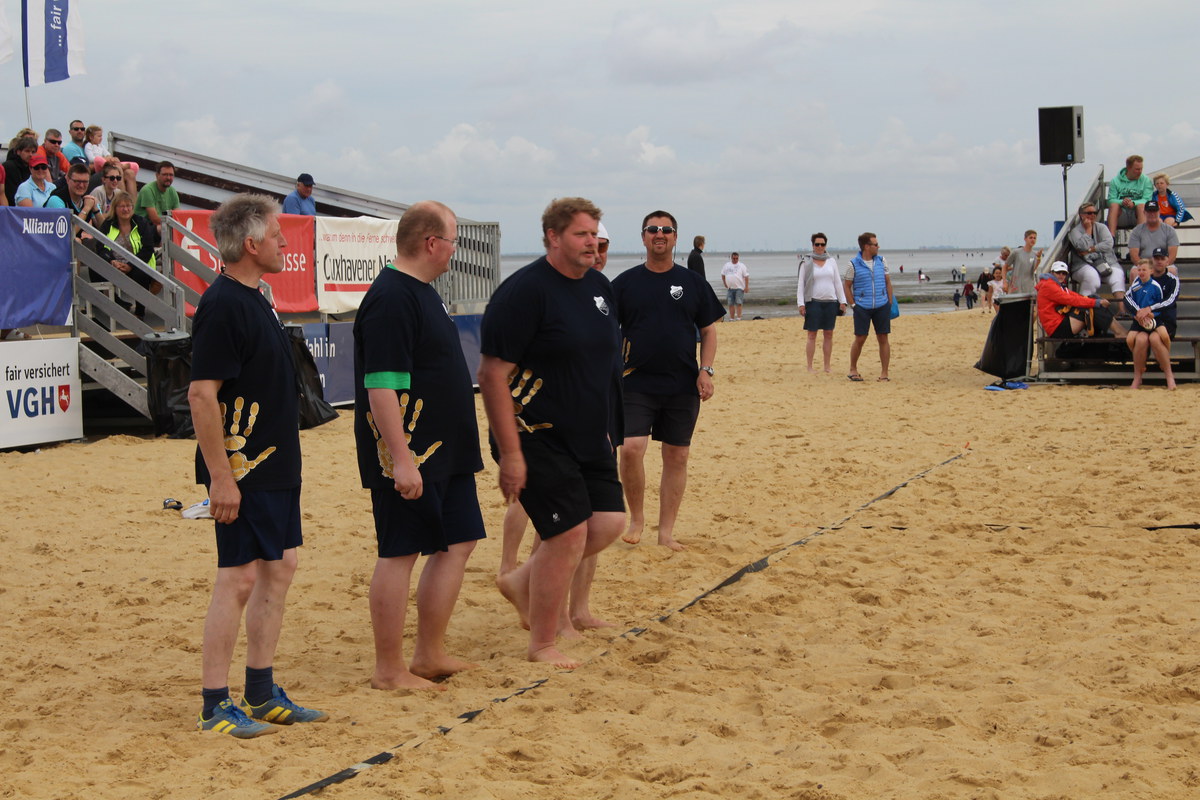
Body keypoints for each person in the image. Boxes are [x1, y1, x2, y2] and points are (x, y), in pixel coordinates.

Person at [188, 194, 327, 739]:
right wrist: (220, 478)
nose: (284, 241)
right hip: (243, 468)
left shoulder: (256, 298)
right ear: (250, 244)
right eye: (275, 235)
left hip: (275, 465)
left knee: (280, 566)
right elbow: (201, 395)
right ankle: (214, 704)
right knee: (239, 576)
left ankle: (262, 692)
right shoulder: (223, 303)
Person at [479, 197, 625, 670]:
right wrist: (511, 453)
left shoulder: (598, 287)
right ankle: (542, 643)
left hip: (589, 434)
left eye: (595, 234)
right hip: (533, 432)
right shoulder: (524, 293)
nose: (592, 242)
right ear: (553, 237)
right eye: (582, 234)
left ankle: (521, 581)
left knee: (609, 523)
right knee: (566, 534)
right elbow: (492, 375)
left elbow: (599, 365)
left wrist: (606, 427)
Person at [353, 201, 485, 690]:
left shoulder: (423, 292)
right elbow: (380, 387)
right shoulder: (392, 297)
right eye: (452, 240)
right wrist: (402, 460)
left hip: (445, 451)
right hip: (412, 453)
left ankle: (429, 654)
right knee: (400, 551)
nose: (454, 250)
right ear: (432, 243)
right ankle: (388, 669)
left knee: (459, 541)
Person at [614, 211, 723, 552]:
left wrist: (706, 370)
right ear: (643, 237)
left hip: (681, 384)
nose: (659, 234)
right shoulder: (625, 283)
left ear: (675, 237)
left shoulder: (692, 282)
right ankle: (636, 519)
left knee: (677, 456)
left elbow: (708, 331)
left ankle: (666, 532)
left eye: (666, 229)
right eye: (652, 229)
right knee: (631, 449)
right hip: (635, 382)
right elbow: (605, 330)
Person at [96, 191, 160, 317]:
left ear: (132, 207)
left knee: (140, 273)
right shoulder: (108, 224)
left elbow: (148, 249)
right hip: (114, 264)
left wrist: (130, 265)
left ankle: (140, 312)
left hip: (137, 264)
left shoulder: (141, 222)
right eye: (122, 206)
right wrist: (112, 261)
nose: (125, 209)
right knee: (95, 267)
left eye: (128, 206)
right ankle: (102, 308)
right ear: (115, 208)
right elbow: (100, 247)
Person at [843, 232, 894, 382]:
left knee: (883, 337)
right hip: (862, 307)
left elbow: (888, 282)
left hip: (881, 305)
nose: (878, 247)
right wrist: (853, 305)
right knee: (860, 338)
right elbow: (847, 286)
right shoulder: (853, 264)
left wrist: (889, 302)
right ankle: (853, 369)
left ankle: (884, 373)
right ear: (866, 246)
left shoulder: (882, 261)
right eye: (875, 244)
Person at [797, 232, 847, 373]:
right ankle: (810, 366)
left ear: (825, 245)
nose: (820, 247)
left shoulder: (831, 261)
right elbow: (801, 284)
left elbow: (837, 282)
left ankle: (827, 366)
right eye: (817, 244)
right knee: (812, 335)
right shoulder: (806, 262)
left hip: (830, 302)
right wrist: (801, 304)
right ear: (813, 245)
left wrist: (843, 301)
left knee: (828, 334)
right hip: (813, 302)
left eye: (822, 244)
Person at [1036, 261, 1124, 339]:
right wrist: (1096, 302)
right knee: (1092, 307)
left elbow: (1076, 297)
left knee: (1092, 301)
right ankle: (1119, 332)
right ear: (1052, 272)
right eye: (1058, 272)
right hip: (1057, 328)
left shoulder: (1057, 285)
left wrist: (1095, 300)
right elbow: (1071, 300)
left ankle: (1117, 332)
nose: (1061, 275)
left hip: (1059, 323)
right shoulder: (1049, 286)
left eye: (1064, 273)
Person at [1123, 258, 1175, 390]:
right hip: (1140, 318)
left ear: (1151, 271)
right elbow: (1128, 298)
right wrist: (1137, 313)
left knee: (1162, 336)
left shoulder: (1157, 286)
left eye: (1144, 270)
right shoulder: (1136, 285)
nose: (1141, 272)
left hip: (1154, 318)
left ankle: (1165, 364)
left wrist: (1152, 313)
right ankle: (1139, 369)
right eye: (1139, 270)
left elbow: (1160, 303)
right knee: (1132, 339)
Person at [1067, 202, 1123, 297]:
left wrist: (1090, 250)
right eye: (1089, 213)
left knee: (1118, 276)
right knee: (1092, 278)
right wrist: (1088, 230)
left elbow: (1109, 244)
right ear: (1081, 215)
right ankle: (1084, 305)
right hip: (1083, 265)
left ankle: (1121, 306)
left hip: (1105, 263)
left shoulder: (1102, 227)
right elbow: (1082, 247)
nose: (1093, 215)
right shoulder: (1075, 232)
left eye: (1095, 213)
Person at [1106, 154, 1152, 238]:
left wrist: (1133, 203)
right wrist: (1122, 202)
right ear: (1128, 168)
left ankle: (1140, 238)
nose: (1140, 172)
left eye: (1141, 169)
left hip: (1138, 215)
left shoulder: (1146, 180)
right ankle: (1111, 238)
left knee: (1142, 206)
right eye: (1137, 169)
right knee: (1114, 205)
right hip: (1122, 215)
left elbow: (1147, 200)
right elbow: (1110, 200)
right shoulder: (1115, 181)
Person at [134, 160, 181, 238]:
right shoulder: (148, 190)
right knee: (164, 229)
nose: (168, 178)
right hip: (142, 228)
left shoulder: (172, 191)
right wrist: (172, 224)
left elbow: (178, 215)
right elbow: (154, 219)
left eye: (171, 175)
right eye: (165, 174)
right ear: (157, 175)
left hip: (162, 225)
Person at [46, 163, 100, 227]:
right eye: (77, 181)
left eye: (85, 182)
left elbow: (104, 230)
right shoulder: (56, 199)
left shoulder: (88, 199)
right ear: (68, 180)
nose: (81, 185)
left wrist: (96, 210)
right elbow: (67, 231)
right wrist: (86, 209)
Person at [1128, 201, 1180, 265]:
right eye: (1149, 211)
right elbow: (1134, 256)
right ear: (1144, 213)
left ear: (1159, 212)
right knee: (1134, 270)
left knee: (1172, 270)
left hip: (1164, 264)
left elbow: (1172, 256)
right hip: (1143, 264)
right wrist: (1144, 267)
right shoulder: (1136, 231)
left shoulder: (1169, 230)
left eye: (1154, 211)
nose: (1152, 214)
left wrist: (1163, 267)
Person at [1003, 230, 1044, 294]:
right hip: (1015, 289)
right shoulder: (1016, 252)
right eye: (1030, 238)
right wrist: (1004, 282)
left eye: (1034, 238)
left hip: (1029, 289)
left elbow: (1033, 269)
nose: (1033, 240)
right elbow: (1004, 267)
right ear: (1025, 239)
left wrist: (1039, 258)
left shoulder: (1035, 254)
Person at [3, 136, 37, 205]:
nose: (30, 155)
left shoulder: (34, 168)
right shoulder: (9, 167)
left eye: (33, 152)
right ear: (18, 152)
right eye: (27, 151)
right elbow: (11, 193)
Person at [721, 252, 749, 321]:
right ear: (731, 258)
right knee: (730, 303)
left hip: (739, 287)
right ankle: (732, 318)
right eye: (734, 258)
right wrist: (724, 283)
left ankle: (739, 317)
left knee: (739, 302)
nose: (735, 260)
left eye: (737, 258)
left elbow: (746, 276)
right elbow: (723, 274)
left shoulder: (741, 265)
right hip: (730, 288)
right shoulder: (727, 265)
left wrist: (746, 287)